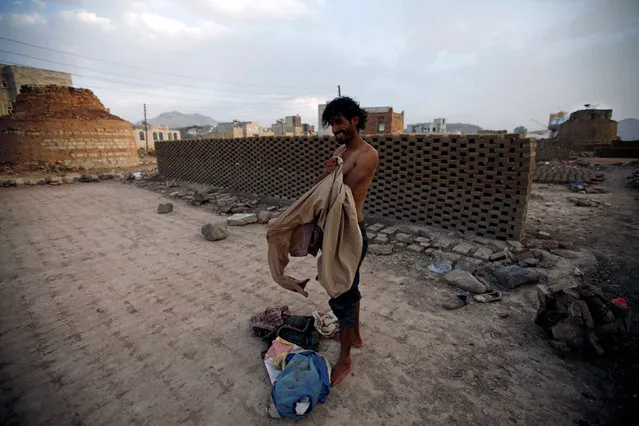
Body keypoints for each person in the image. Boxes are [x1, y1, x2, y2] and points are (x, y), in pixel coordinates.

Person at [320, 97, 379, 386]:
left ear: (355, 120)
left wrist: (332, 173)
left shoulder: (368, 154)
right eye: (332, 123)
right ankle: (353, 335)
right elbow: (327, 190)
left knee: (342, 292)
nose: (336, 128)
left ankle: (344, 359)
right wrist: (329, 173)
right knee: (349, 287)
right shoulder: (340, 151)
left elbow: (344, 188)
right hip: (336, 229)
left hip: (353, 233)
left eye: (340, 121)